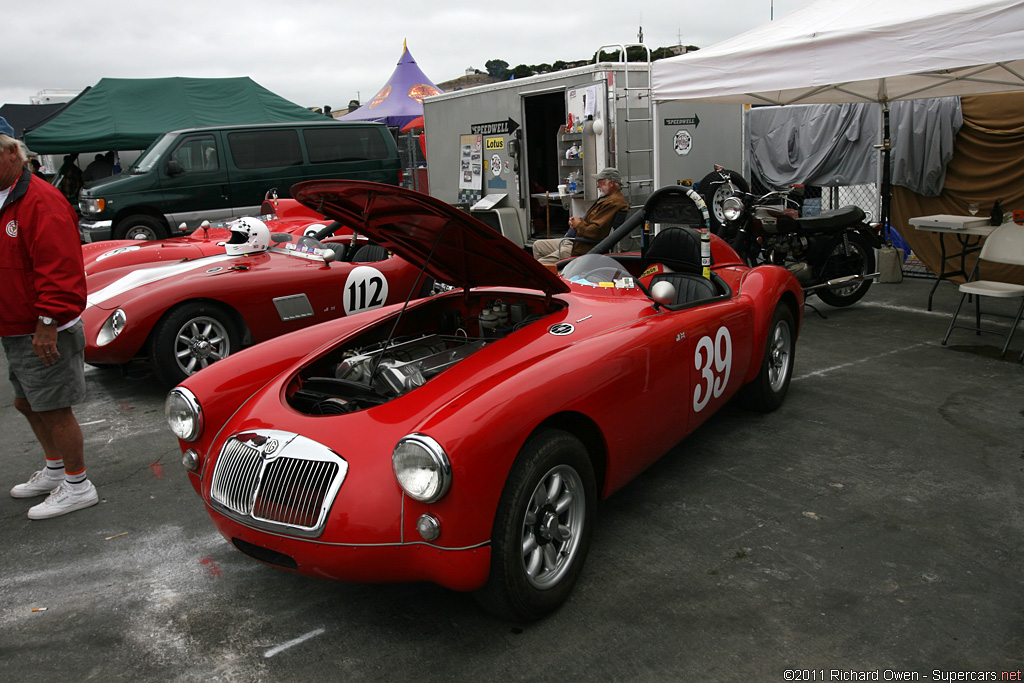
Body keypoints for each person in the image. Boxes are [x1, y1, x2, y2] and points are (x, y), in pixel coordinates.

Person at [0, 129, 98, 519]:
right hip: (15, 325)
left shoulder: (40, 200)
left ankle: (78, 485)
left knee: (54, 407)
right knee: (27, 402)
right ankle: (57, 469)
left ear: (12, 153)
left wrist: (47, 322)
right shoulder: (8, 199)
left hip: (41, 325)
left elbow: (60, 269)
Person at [532, 167, 629, 265]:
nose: (597, 186)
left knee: (539, 265)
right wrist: (577, 221)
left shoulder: (613, 203)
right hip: (574, 241)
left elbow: (595, 232)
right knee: (537, 245)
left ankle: (549, 276)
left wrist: (578, 225)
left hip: (581, 247)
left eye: (600, 182)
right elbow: (594, 222)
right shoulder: (607, 199)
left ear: (611, 183)